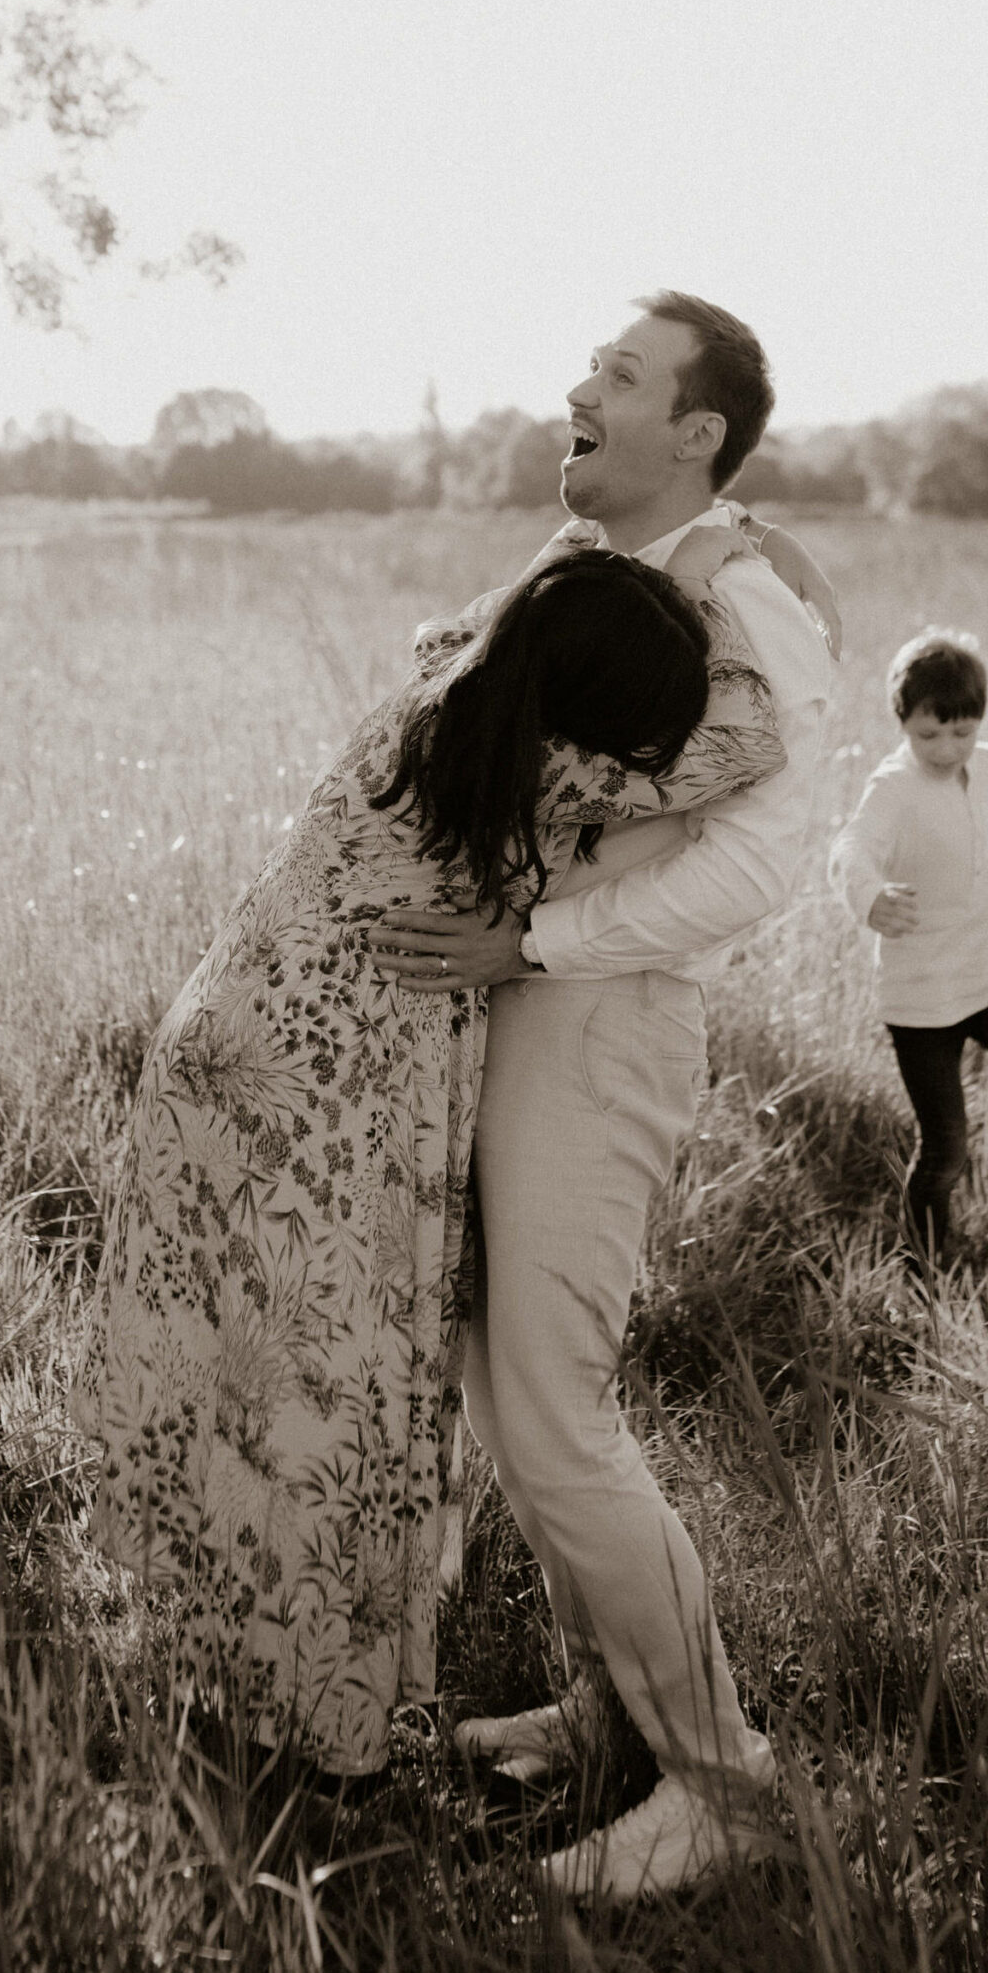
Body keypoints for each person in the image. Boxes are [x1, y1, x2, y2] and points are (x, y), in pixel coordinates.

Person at [75, 545, 786, 1780]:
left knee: (242, 1386)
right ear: (593, 714)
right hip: (327, 1100)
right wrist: (721, 586)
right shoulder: (540, 783)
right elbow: (750, 744)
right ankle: (312, 1724)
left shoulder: (442, 696)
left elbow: (510, 625)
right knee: (329, 1398)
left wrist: (599, 575)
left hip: (231, 1054)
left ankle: (227, 1675)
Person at [374, 291, 836, 1899]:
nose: (577, 387)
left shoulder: (746, 594)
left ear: (694, 433)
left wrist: (538, 940)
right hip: (526, 1001)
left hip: (605, 1012)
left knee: (555, 1414)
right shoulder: (603, 575)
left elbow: (765, 860)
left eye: (620, 376)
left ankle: (724, 1785)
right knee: (512, 1402)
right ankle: (607, 1719)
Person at [828, 627, 988, 1269]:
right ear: (902, 722)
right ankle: (922, 1269)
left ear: (980, 723)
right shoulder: (891, 787)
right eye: (928, 735)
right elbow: (850, 850)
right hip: (921, 995)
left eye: (962, 732)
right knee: (946, 1146)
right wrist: (867, 896)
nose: (947, 749)